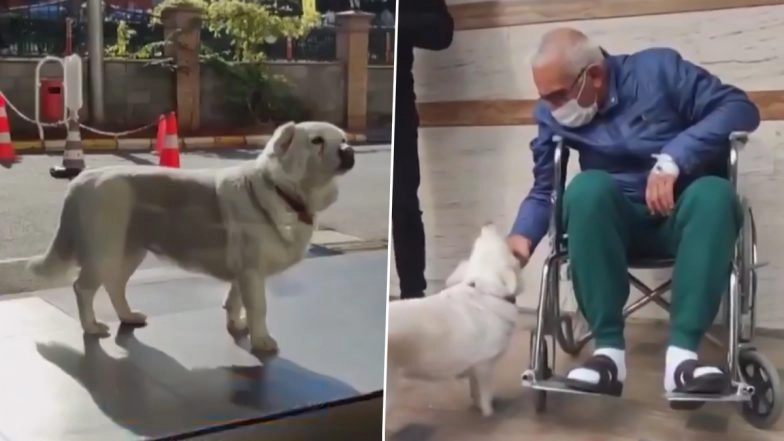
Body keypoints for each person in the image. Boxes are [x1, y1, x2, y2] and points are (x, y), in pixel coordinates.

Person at [508, 28, 760, 404]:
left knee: (715, 193)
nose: (551, 108)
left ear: (594, 75)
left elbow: (740, 108)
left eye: (558, 95)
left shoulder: (659, 71)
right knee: (586, 189)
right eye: (544, 98)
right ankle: (607, 356)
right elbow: (545, 189)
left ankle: (682, 360)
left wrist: (675, 157)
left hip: (683, 218)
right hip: (614, 227)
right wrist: (519, 242)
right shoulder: (552, 114)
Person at [393, 0, 454, 299]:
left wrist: (394, 20)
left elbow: (442, 32)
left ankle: (413, 297)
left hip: (398, 108)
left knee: (402, 203)